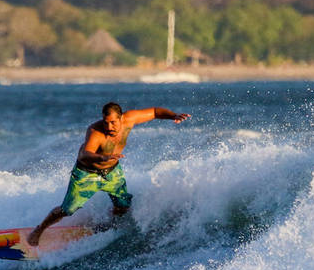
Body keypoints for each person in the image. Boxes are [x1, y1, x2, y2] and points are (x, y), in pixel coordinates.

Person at [28, 101, 191, 246]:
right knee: (68, 209)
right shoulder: (95, 131)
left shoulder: (130, 119)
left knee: (123, 206)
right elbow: (85, 154)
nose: (109, 127)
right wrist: (104, 156)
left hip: (112, 171)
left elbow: (155, 112)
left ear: (121, 118)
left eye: (113, 122)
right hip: (87, 173)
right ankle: (39, 229)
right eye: (106, 123)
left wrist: (173, 115)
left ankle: (108, 225)